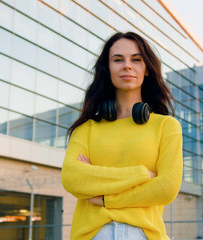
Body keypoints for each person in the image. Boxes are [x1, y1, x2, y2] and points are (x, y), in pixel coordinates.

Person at [61, 31, 183, 240]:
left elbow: (166, 189)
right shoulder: (86, 129)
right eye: (118, 59)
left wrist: (107, 199)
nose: (127, 65)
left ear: (146, 69)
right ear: (107, 69)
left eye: (136, 59)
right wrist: (142, 174)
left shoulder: (166, 126)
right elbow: (73, 178)